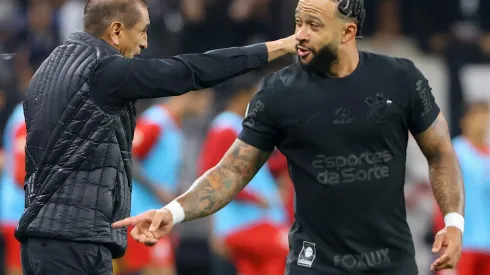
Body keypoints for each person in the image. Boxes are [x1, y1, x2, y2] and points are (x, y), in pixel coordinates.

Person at [114, 0, 465, 274]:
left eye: (314, 25)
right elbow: (231, 172)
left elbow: (440, 152)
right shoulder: (278, 92)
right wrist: (173, 212)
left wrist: (453, 222)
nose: (301, 34)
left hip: (391, 262)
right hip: (314, 264)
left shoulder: (400, 78)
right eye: (298, 22)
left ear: (347, 32)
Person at [16, 0, 296, 274]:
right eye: (142, 30)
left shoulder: (48, 70)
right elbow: (188, 71)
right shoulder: (105, 70)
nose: (145, 43)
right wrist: (278, 47)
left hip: (41, 237)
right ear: (116, 31)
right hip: (75, 242)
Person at [198, 76, 289, 275]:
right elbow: (212, 176)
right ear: (243, 97)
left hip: (253, 221)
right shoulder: (225, 128)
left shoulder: (241, 127)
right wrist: (255, 198)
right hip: (244, 223)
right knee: (292, 248)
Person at [123, 89, 214, 275]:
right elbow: (127, 158)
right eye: (205, 100)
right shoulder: (156, 121)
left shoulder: (175, 125)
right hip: (140, 215)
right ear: (190, 95)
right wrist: (157, 189)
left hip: (157, 217)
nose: (207, 107)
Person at [433, 101, 490, 275]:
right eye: (477, 116)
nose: (482, 121)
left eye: (485, 116)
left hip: (487, 244)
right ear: (465, 121)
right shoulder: (455, 151)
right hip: (462, 244)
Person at [0, 103, 26, 275]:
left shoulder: (19, 111)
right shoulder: (28, 113)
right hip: (21, 210)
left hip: (16, 210)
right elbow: (21, 173)